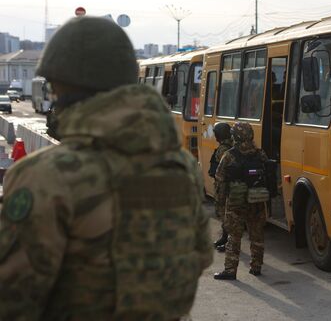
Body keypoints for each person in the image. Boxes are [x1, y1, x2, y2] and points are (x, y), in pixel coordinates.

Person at [0, 16, 212, 320]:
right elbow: (201, 256)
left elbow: (12, 299)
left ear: (62, 86)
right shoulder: (181, 168)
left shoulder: (48, 176)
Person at [213, 122, 271, 280]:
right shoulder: (260, 154)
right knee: (257, 235)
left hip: (236, 203)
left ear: (235, 137)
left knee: (234, 237)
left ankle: (230, 270)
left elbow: (220, 181)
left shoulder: (229, 155)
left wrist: (219, 203)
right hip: (257, 200)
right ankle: (256, 267)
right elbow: (268, 176)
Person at [209, 122, 233, 252]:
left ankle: (228, 240)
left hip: (224, 185)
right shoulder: (230, 146)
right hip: (225, 184)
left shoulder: (224, 149)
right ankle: (225, 238)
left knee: (225, 212)